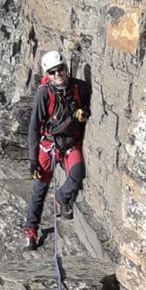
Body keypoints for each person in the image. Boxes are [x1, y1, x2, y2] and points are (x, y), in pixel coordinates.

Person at [24, 50, 92, 250]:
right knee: (39, 189)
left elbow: (86, 104)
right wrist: (33, 161)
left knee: (78, 173)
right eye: (52, 72)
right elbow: (34, 128)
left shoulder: (80, 88)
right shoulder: (44, 94)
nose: (57, 74)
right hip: (50, 146)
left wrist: (84, 112)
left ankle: (61, 198)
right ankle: (31, 230)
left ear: (66, 68)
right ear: (47, 74)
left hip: (70, 144)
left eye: (60, 69)